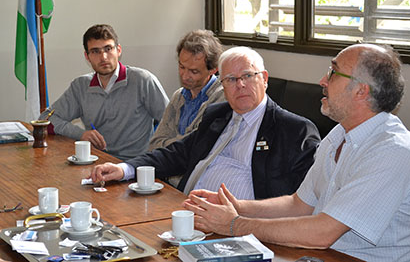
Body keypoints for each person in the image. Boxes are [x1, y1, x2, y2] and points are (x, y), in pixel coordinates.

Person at [183, 44, 410, 262]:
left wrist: (234, 224)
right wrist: (236, 206)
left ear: (361, 91)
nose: (322, 80)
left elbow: (322, 233)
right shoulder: (338, 134)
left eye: (333, 72)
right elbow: (298, 205)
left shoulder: (393, 151)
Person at [90, 46, 320, 200]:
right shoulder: (217, 115)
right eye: (230, 79)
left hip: (243, 228)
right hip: (186, 212)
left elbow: (298, 201)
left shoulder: (294, 130)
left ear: (265, 79)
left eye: (248, 76)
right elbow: (175, 154)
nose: (240, 85)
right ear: (222, 85)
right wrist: (124, 169)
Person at [39, 24, 169, 160]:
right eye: (95, 51)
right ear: (87, 56)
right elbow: (45, 120)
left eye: (108, 49)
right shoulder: (81, 86)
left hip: (134, 166)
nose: (104, 57)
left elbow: (171, 123)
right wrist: (81, 134)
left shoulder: (142, 80)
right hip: (95, 163)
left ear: (118, 50)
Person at [149, 29, 225, 151]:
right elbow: (154, 143)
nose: (184, 76)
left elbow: (198, 148)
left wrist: (170, 144)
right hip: (171, 168)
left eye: (194, 71)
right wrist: (182, 144)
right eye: (181, 67)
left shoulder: (221, 98)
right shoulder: (178, 96)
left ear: (213, 70)